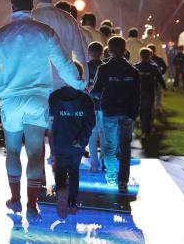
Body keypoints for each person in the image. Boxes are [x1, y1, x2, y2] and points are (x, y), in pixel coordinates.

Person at [0, 0, 84, 221]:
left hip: (11, 100)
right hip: (38, 99)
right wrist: (79, 86)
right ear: (32, 7)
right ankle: (32, 205)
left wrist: (0, 92)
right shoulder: (45, 32)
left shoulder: (0, 35)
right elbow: (64, 64)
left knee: (13, 151)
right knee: (35, 153)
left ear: (12, 7)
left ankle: (15, 200)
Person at [91, 36, 140, 193]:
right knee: (125, 148)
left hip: (110, 112)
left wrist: (95, 94)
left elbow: (96, 91)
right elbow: (137, 96)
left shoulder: (104, 69)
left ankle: (111, 176)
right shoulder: (133, 71)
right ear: (125, 50)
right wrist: (133, 115)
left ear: (109, 50)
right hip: (127, 113)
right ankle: (123, 182)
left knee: (110, 146)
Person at [50, 61, 95, 217]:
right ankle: (72, 202)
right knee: (74, 171)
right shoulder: (86, 99)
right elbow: (91, 122)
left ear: (63, 75)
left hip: (59, 140)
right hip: (77, 143)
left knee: (60, 169)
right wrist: (81, 140)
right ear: (80, 76)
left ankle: (61, 190)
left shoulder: (54, 97)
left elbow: (49, 120)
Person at [32, 0, 89, 87]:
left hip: (38, 83)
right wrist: (83, 82)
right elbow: (80, 53)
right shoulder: (68, 18)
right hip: (65, 83)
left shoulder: (31, 18)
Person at [134, 48, 166, 139]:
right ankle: (145, 130)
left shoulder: (136, 66)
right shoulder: (153, 67)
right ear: (150, 56)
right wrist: (164, 87)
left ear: (140, 56)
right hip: (149, 92)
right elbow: (160, 78)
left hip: (138, 92)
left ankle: (143, 128)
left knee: (141, 111)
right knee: (147, 111)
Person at [87, 41, 105, 172]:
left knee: (92, 135)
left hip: (91, 106)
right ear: (102, 53)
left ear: (89, 53)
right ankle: (104, 162)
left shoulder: (86, 68)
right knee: (104, 135)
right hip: (104, 106)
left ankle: (93, 164)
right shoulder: (106, 67)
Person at [147, 44, 168, 115]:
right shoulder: (158, 59)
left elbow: (164, 67)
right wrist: (160, 74)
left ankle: (156, 108)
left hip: (150, 80)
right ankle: (157, 108)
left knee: (156, 94)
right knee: (157, 94)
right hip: (155, 79)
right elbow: (164, 67)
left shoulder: (146, 60)